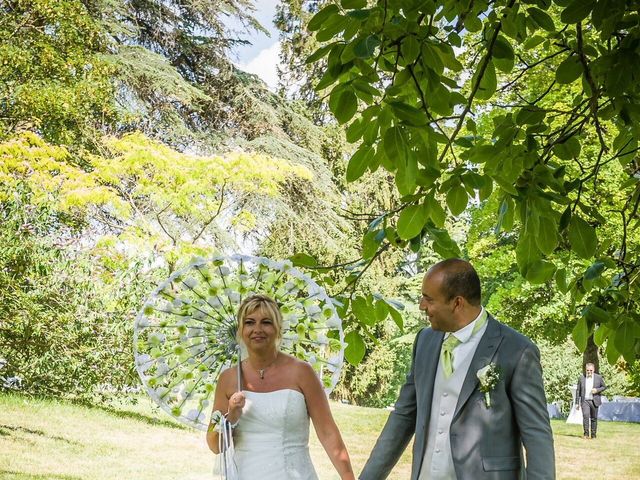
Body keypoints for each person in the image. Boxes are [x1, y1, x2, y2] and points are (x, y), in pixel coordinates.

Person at [360, 258, 555, 480]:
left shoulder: (517, 351)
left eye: (429, 299)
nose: (422, 306)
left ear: (457, 303)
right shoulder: (425, 341)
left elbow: (537, 434)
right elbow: (404, 416)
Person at [206, 293, 355, 480]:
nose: (257, 329)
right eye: (250, 322)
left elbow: (328, 432)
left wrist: (348, 477)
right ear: (241, 330)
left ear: (278, 329)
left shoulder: (302, 372)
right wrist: (231, 418)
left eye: (266, 322)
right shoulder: (228, 379)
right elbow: (214, 446)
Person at [576, 363, 607, 439]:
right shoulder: (581, 378)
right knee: (585, 416)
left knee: (594, 418)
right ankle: (586, 434)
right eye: (587, 370)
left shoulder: (598, 377)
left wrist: (597, 390)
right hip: (585, 401)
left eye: (590, 370)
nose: (589, 372)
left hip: (594, 400)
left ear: (594, 370)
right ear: (585, 370)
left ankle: (593, 435)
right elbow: (578, 391)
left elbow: (604, 387)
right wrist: (577, 403)